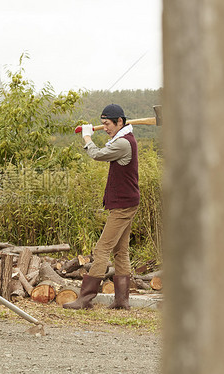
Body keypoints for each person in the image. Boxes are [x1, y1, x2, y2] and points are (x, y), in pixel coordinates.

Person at [63, 104, 139, 310]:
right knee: (121, 251)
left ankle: (85, 299)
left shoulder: (123, 143)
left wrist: (87, 138)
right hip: (126, 202)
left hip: (123, 205)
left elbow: (97, 154)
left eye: (107, 124)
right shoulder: (123, 139)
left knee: (102, 248)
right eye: (103, 124)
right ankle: (122, 301)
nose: (104, 128)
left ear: (120, 122)